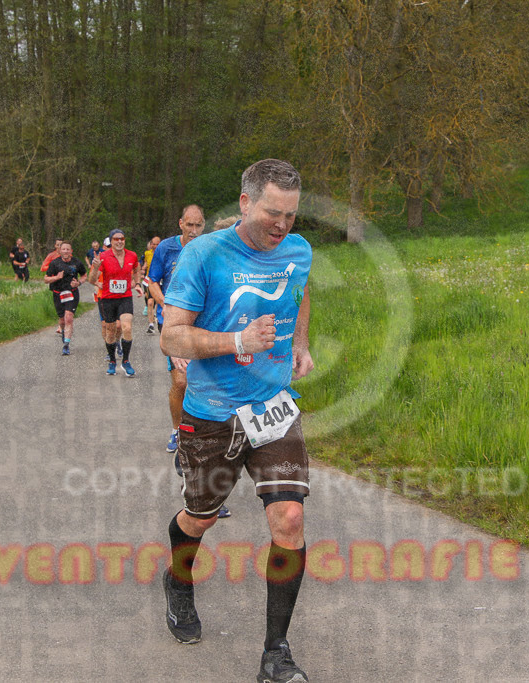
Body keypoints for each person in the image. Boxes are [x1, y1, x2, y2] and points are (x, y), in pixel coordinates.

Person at [159, 159, 313, 683]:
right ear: (245, 203)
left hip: (272, 408)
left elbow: (300, 287)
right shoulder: (205, 253)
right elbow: (171, 335)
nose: (282, 226)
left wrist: (301, 343)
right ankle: (178, 581)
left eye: (291, 215)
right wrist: (237, 342)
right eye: (273, 213)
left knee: (288, 519)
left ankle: (277, 653)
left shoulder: (298, 250)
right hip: (214, 414)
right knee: (199, 518)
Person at [145, 206, 205, 455]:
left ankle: (203, 431)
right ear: (180, 223)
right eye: (189, 225)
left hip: (202, 323)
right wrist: (164, 306)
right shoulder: (166, 248)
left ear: (204, 226)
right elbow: (152, 280)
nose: (193, 231)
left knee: (202, 381)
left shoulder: (210, 248)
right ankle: (177, 430)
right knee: (181, 381)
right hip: (172, 322)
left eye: (198, 225)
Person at [87, 229, 141, 376]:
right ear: (111, 242)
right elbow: (91, 279)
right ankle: (112, 360)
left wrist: (137, 284)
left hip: (125, 297)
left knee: (126, 327)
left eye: (122, 239)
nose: (119, 241)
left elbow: (136, 269)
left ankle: (126, 361)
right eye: (116, 239)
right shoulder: (103, 257)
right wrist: (96, 268)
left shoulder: (132, 255)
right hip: (108, 299)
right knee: (110, 332)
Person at [44, 241, 86, 356]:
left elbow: (84, 275)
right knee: (62, 320)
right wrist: (57, 277)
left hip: (72, 293)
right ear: (60, 251)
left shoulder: (77, 262)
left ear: (71, 251)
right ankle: (63, 331)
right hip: (58, 293)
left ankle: (66, 345)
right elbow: (46, 279)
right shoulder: (54, 263)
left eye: (68, 249)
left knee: (68, 318)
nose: (66, 251)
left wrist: (79, 283)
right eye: (63, 249)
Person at [40, 238, 65, 336]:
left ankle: (62, 325)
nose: (60, 247)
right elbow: (43, 268)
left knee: (66, 303)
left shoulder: (68, 255)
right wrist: (53, 267)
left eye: (61, 245)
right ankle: (62, 323)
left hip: (66, 283)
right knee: (59, 304)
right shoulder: (51, 255)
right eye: (58, 245)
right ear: (55, 246)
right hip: (54, 281)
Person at [142, 236, 161, 333]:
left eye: (158, 244)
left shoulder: (163, 253)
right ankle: (150, 325)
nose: (155, 246)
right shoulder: (147, 254)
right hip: (151, 281)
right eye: (154, 244)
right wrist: (142, 269)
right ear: (151, 244)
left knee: (160, 302)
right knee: (150, 302)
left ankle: (159, 319)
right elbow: (146, 264)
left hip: (161, 281)